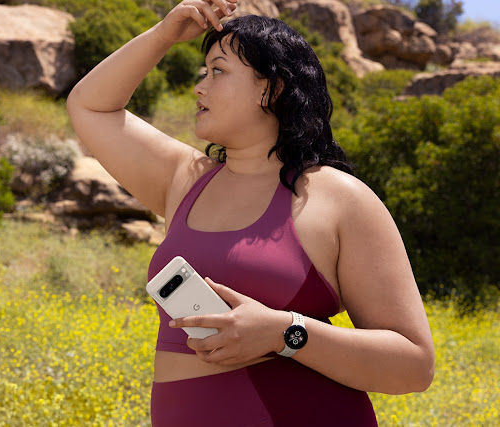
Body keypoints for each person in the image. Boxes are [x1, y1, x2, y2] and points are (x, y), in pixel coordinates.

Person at [67, 1, 435, 425]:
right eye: (202, 72)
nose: (199, 87)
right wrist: (165, 34)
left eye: (218, 71)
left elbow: (415, 365)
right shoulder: (185, 180)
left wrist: (284, 333)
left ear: (272, 89)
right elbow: (90, 106)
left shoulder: (339, 199)